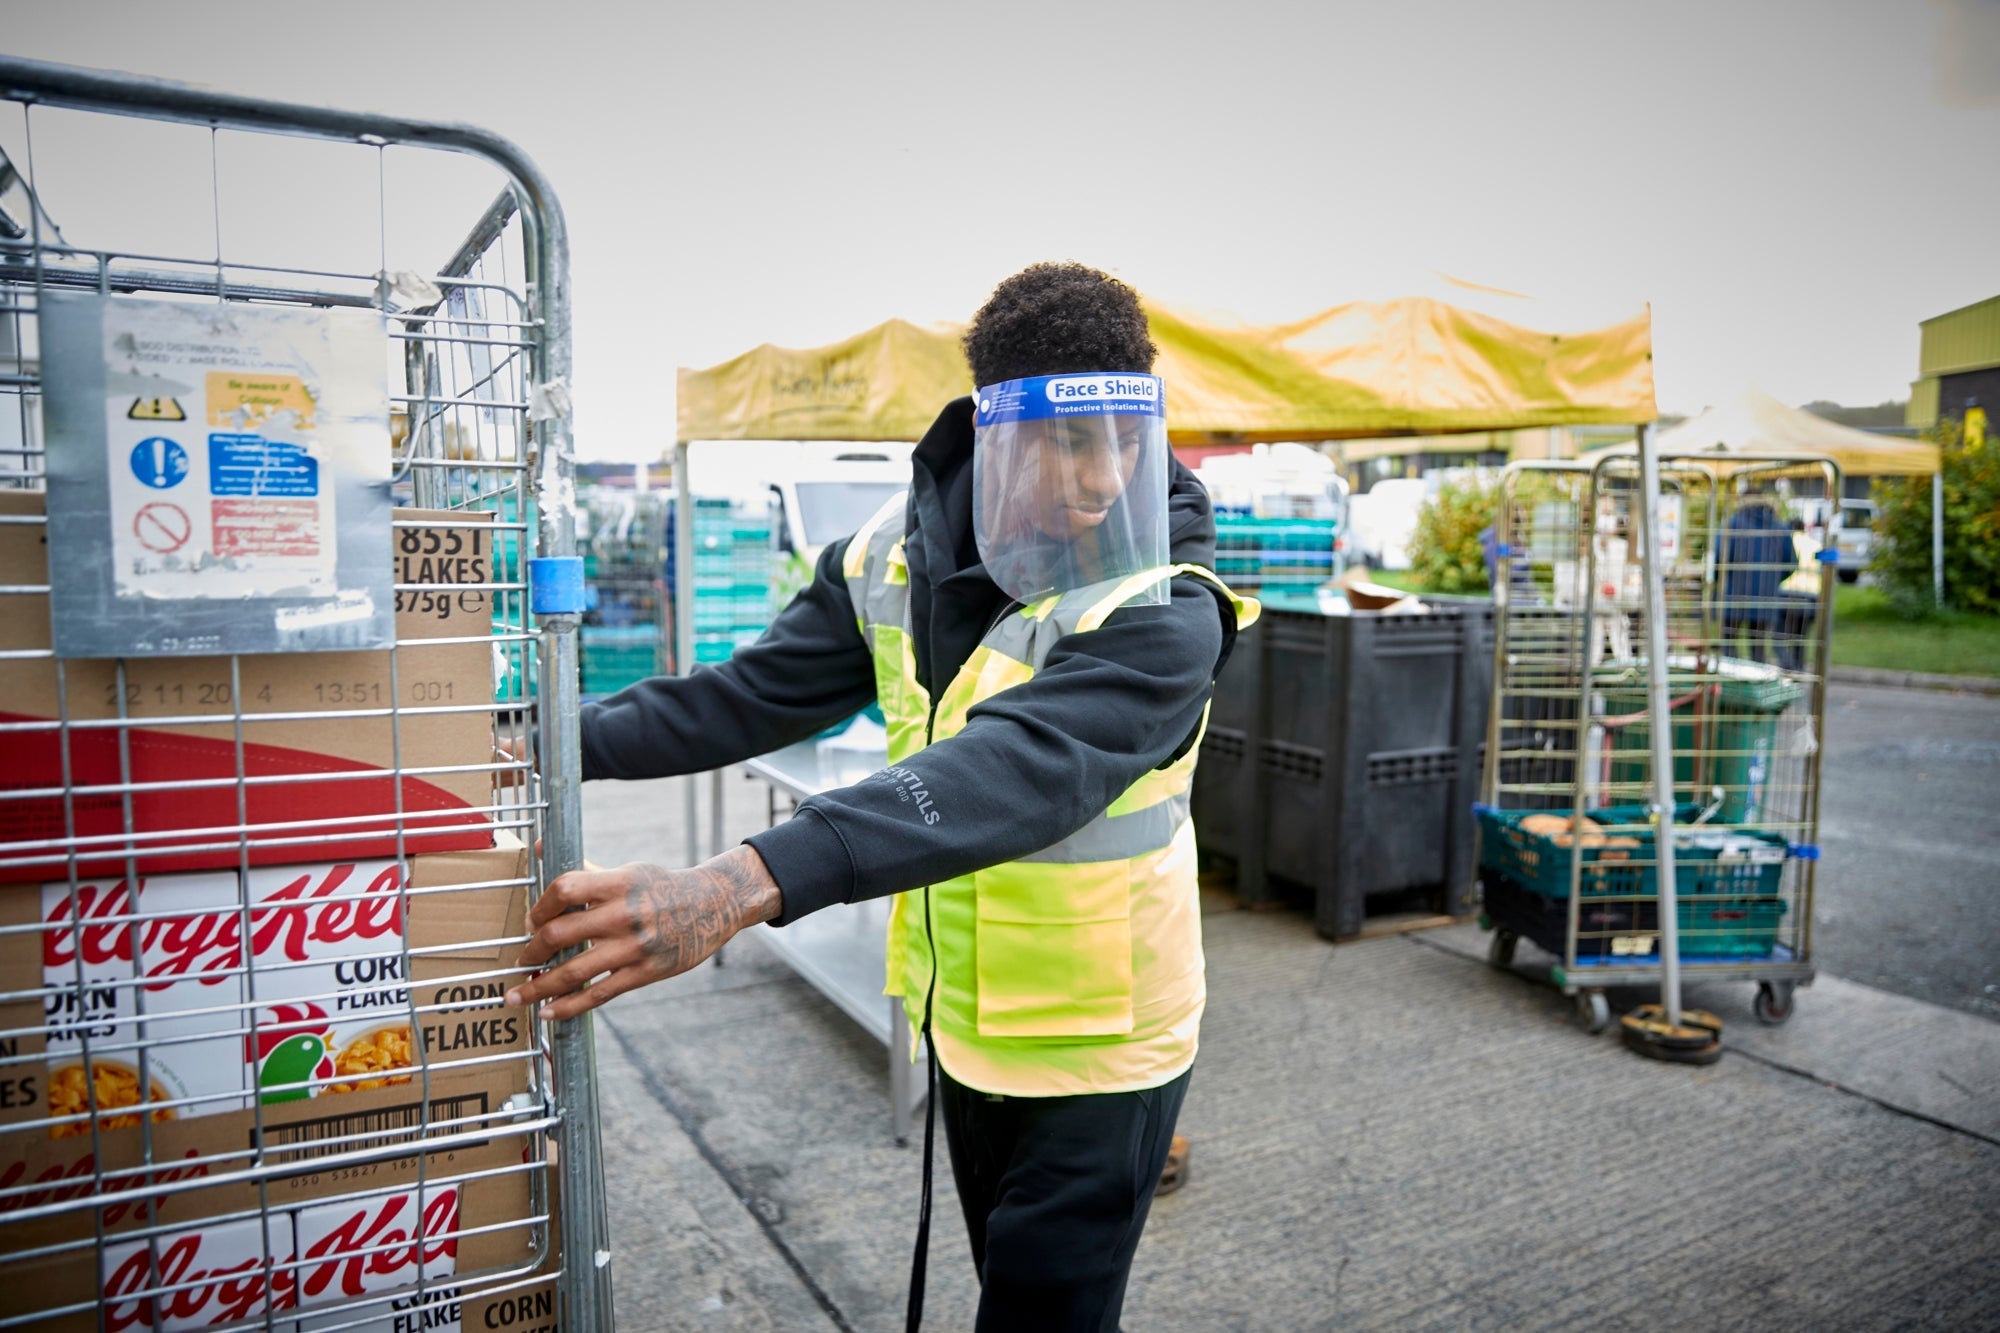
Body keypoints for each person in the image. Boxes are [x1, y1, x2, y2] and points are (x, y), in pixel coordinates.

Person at [504, 262, 1254, 1332]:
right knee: (1007, 1278)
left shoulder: (1166, 600)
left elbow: (1020, 763)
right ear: (994, 429)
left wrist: (741, 881)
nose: (1103, 476)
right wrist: (537, 743)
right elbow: (749, 694)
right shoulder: (889, 558)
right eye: (1068, 440)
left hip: (1104, 1041)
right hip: (963, 1021)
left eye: (1125, 437)